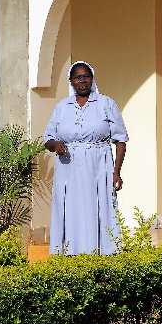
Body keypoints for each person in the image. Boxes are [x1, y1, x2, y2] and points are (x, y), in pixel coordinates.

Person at [43, 61, 128, 255]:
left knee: (99, 208)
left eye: (86, 76)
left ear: (92, 79)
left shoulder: (106, 104)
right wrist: (55, 145)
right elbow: (48, 138)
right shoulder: (62, 107)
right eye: (77, 77)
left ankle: (102, 253)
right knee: (71, 209)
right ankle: (70, 253)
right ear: (71, 81)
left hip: (98, 166)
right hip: (68, 168)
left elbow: (120, 141)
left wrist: (116, 172)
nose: (82, 81)